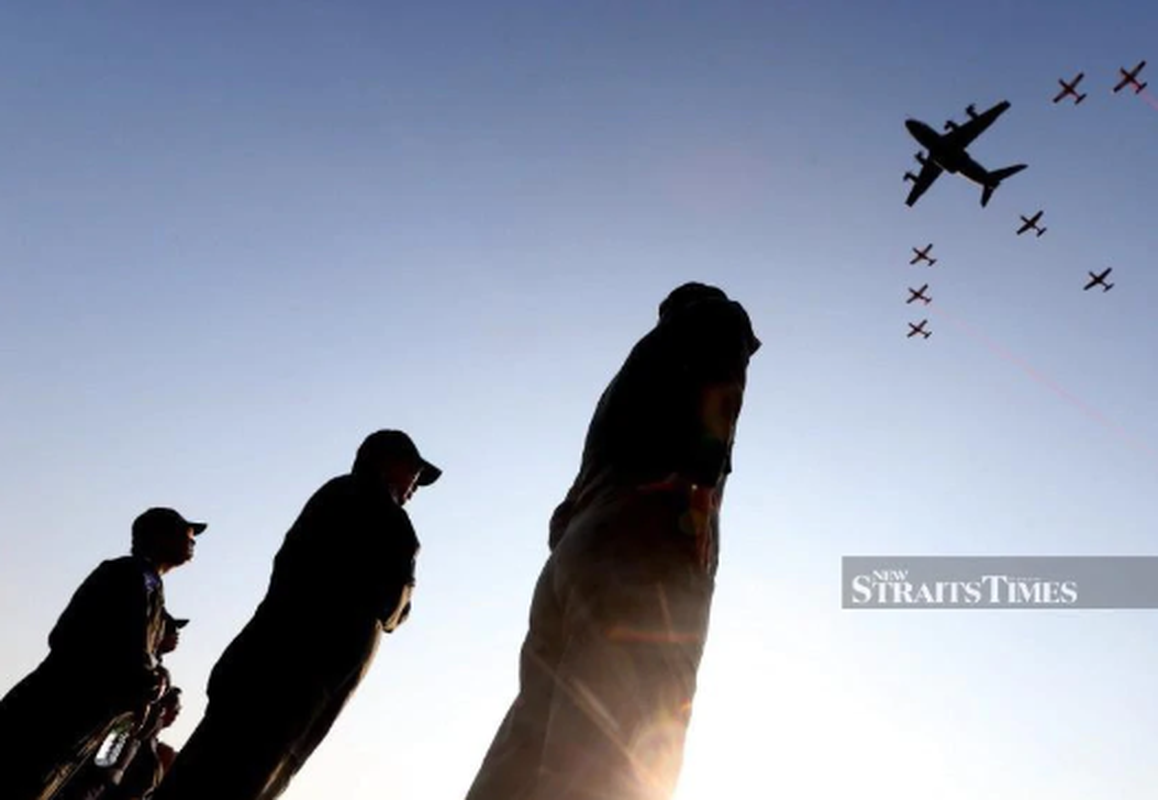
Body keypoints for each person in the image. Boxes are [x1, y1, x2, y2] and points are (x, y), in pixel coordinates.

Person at [464, 282, 760, 800]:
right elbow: (722, 385)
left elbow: (563, 512)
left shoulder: (627, 376)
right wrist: (698, 483)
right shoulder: (715, 318)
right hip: (648, 541)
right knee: (623, 735)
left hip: (578, 550)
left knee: (530, 735)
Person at [152, 429, 441, 800]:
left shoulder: (338, 497)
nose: (415, 486)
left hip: (273, 674)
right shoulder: (380, 512)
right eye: (413, 473)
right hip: (294, 684)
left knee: (210, 772)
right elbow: (393, 608)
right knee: (235, 778)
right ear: (388, 464)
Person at [0, 508, 206, 800]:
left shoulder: (144, 582)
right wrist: (145, 682)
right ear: (158, 536)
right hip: (59, 709)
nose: (192, 540)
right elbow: (82, 638)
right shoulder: (132, 575)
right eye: (184, 533)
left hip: (78, 713)